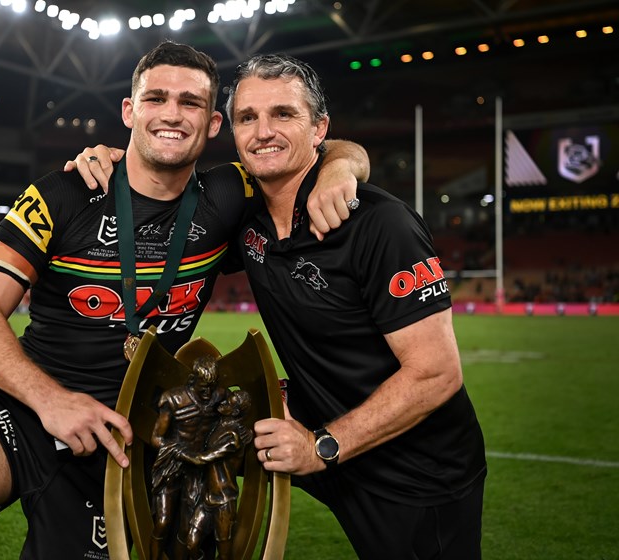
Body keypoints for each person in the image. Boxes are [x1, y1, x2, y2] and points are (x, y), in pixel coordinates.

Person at [0, 42, 369, 559]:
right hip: (31, 410)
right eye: (156, 98)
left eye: (190, 103)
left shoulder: (231, 195)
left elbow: (329, 150)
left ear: (212, 124)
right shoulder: (62, 193)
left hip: (144, 431)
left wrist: (340, 168)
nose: (172, 114)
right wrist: (52, 401)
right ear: (129, 111)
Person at [74, 53, 487, 560]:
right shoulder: (247, 219)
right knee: (191, 440)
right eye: (248, 117)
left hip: (413, 469)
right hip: (311, 427)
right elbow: (156, 188)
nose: (263, 131)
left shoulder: (382, 225)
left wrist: (322, 446)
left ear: (319, 129)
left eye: (284, 114)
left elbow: (436, 373)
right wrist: (113, 160)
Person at [148, 355, 227, 560]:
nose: (208, 393)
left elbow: (232, 418)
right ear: (192, 380)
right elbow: (156, 438)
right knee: (163, 522)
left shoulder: (220, 397)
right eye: (203, 388)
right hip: (171, 466)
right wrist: (182, 453)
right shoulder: (173, 400)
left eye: (211, 387)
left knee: (188, 526)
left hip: (198, 470)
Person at [178, 389, 253, 560]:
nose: (223, 403)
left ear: (235, 412)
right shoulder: (219, 425)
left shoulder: (233, 437)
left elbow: (204, 458)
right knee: (191, 543)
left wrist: (179, 453)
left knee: (224, 554)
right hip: (208, 498)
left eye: (228, 403)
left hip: (224, 501)